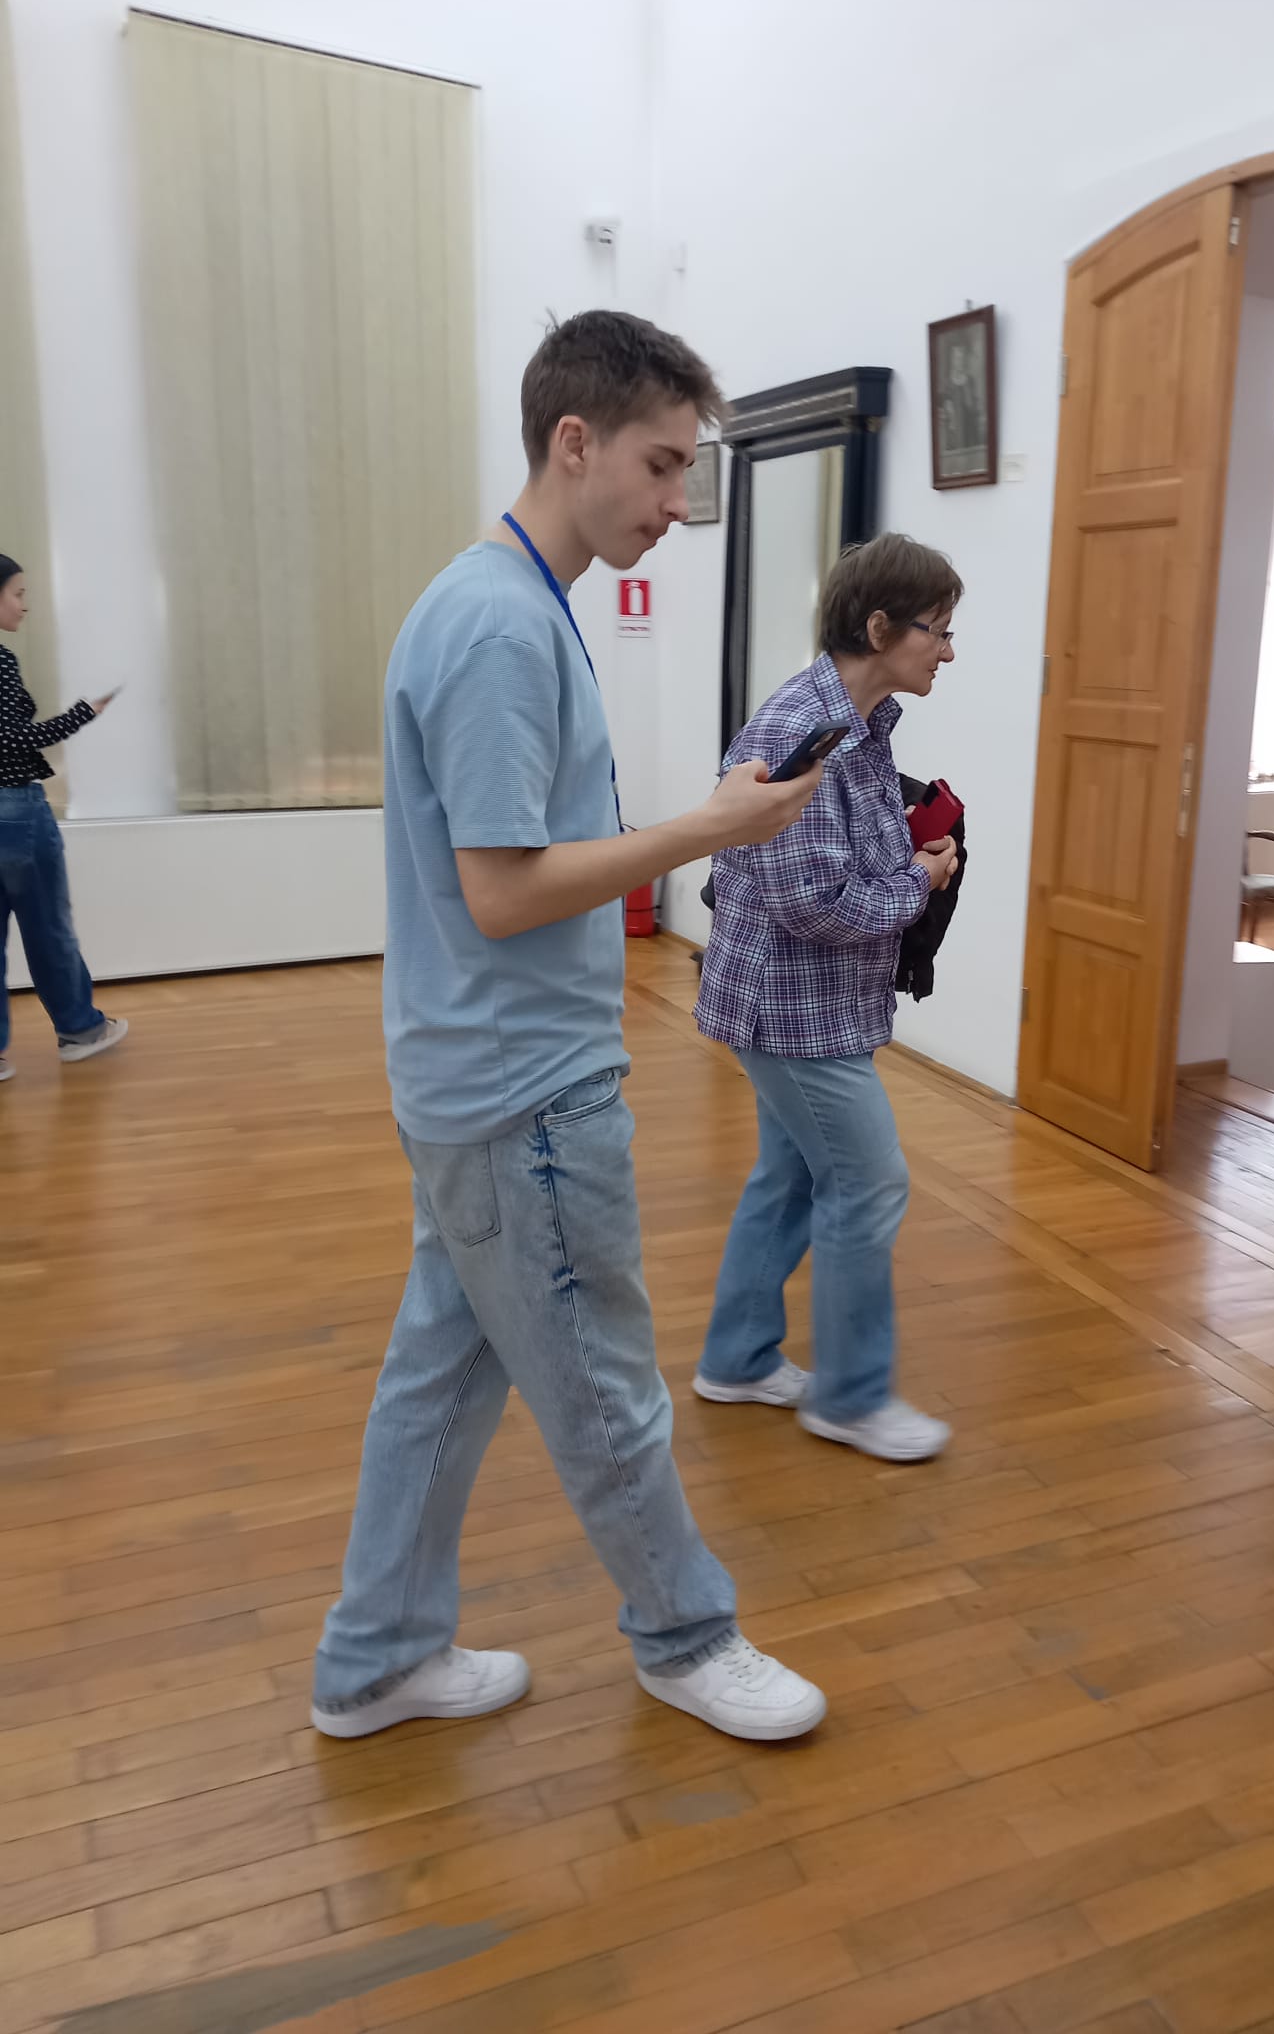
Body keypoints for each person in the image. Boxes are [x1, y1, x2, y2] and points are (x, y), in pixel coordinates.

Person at [311, 312, 830, 1745]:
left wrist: (701, 823)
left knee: (441, 1377)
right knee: (603, 1385)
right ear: (574, 441)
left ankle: (376, 1660)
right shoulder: (497, 625)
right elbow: (502, 893)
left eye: (688, 472)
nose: (677, 502)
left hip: (480, 1078)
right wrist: (706, 829)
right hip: (520, 1092)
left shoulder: (508, 602)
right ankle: (686, 1635)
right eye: (662, 466)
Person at [693, 533, 963, 1464]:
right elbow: (813, 902)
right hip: (791, 1011)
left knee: (795, 1176)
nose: (949, 650)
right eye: (937, 630)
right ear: (880, 628)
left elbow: (833, 863)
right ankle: (850, 1400)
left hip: (810, 1004)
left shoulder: (859, 723)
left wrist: (911, 849)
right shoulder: (796, 733)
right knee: (868, 1181)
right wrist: (921, 881)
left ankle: (736, 1360)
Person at [0, 555, 127, 1084]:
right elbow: (11, 739)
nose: (24, 605)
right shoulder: (1, 661)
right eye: (17, 593)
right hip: (14, 814)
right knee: (48, 927)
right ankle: (81, 1031)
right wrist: (82, 714)